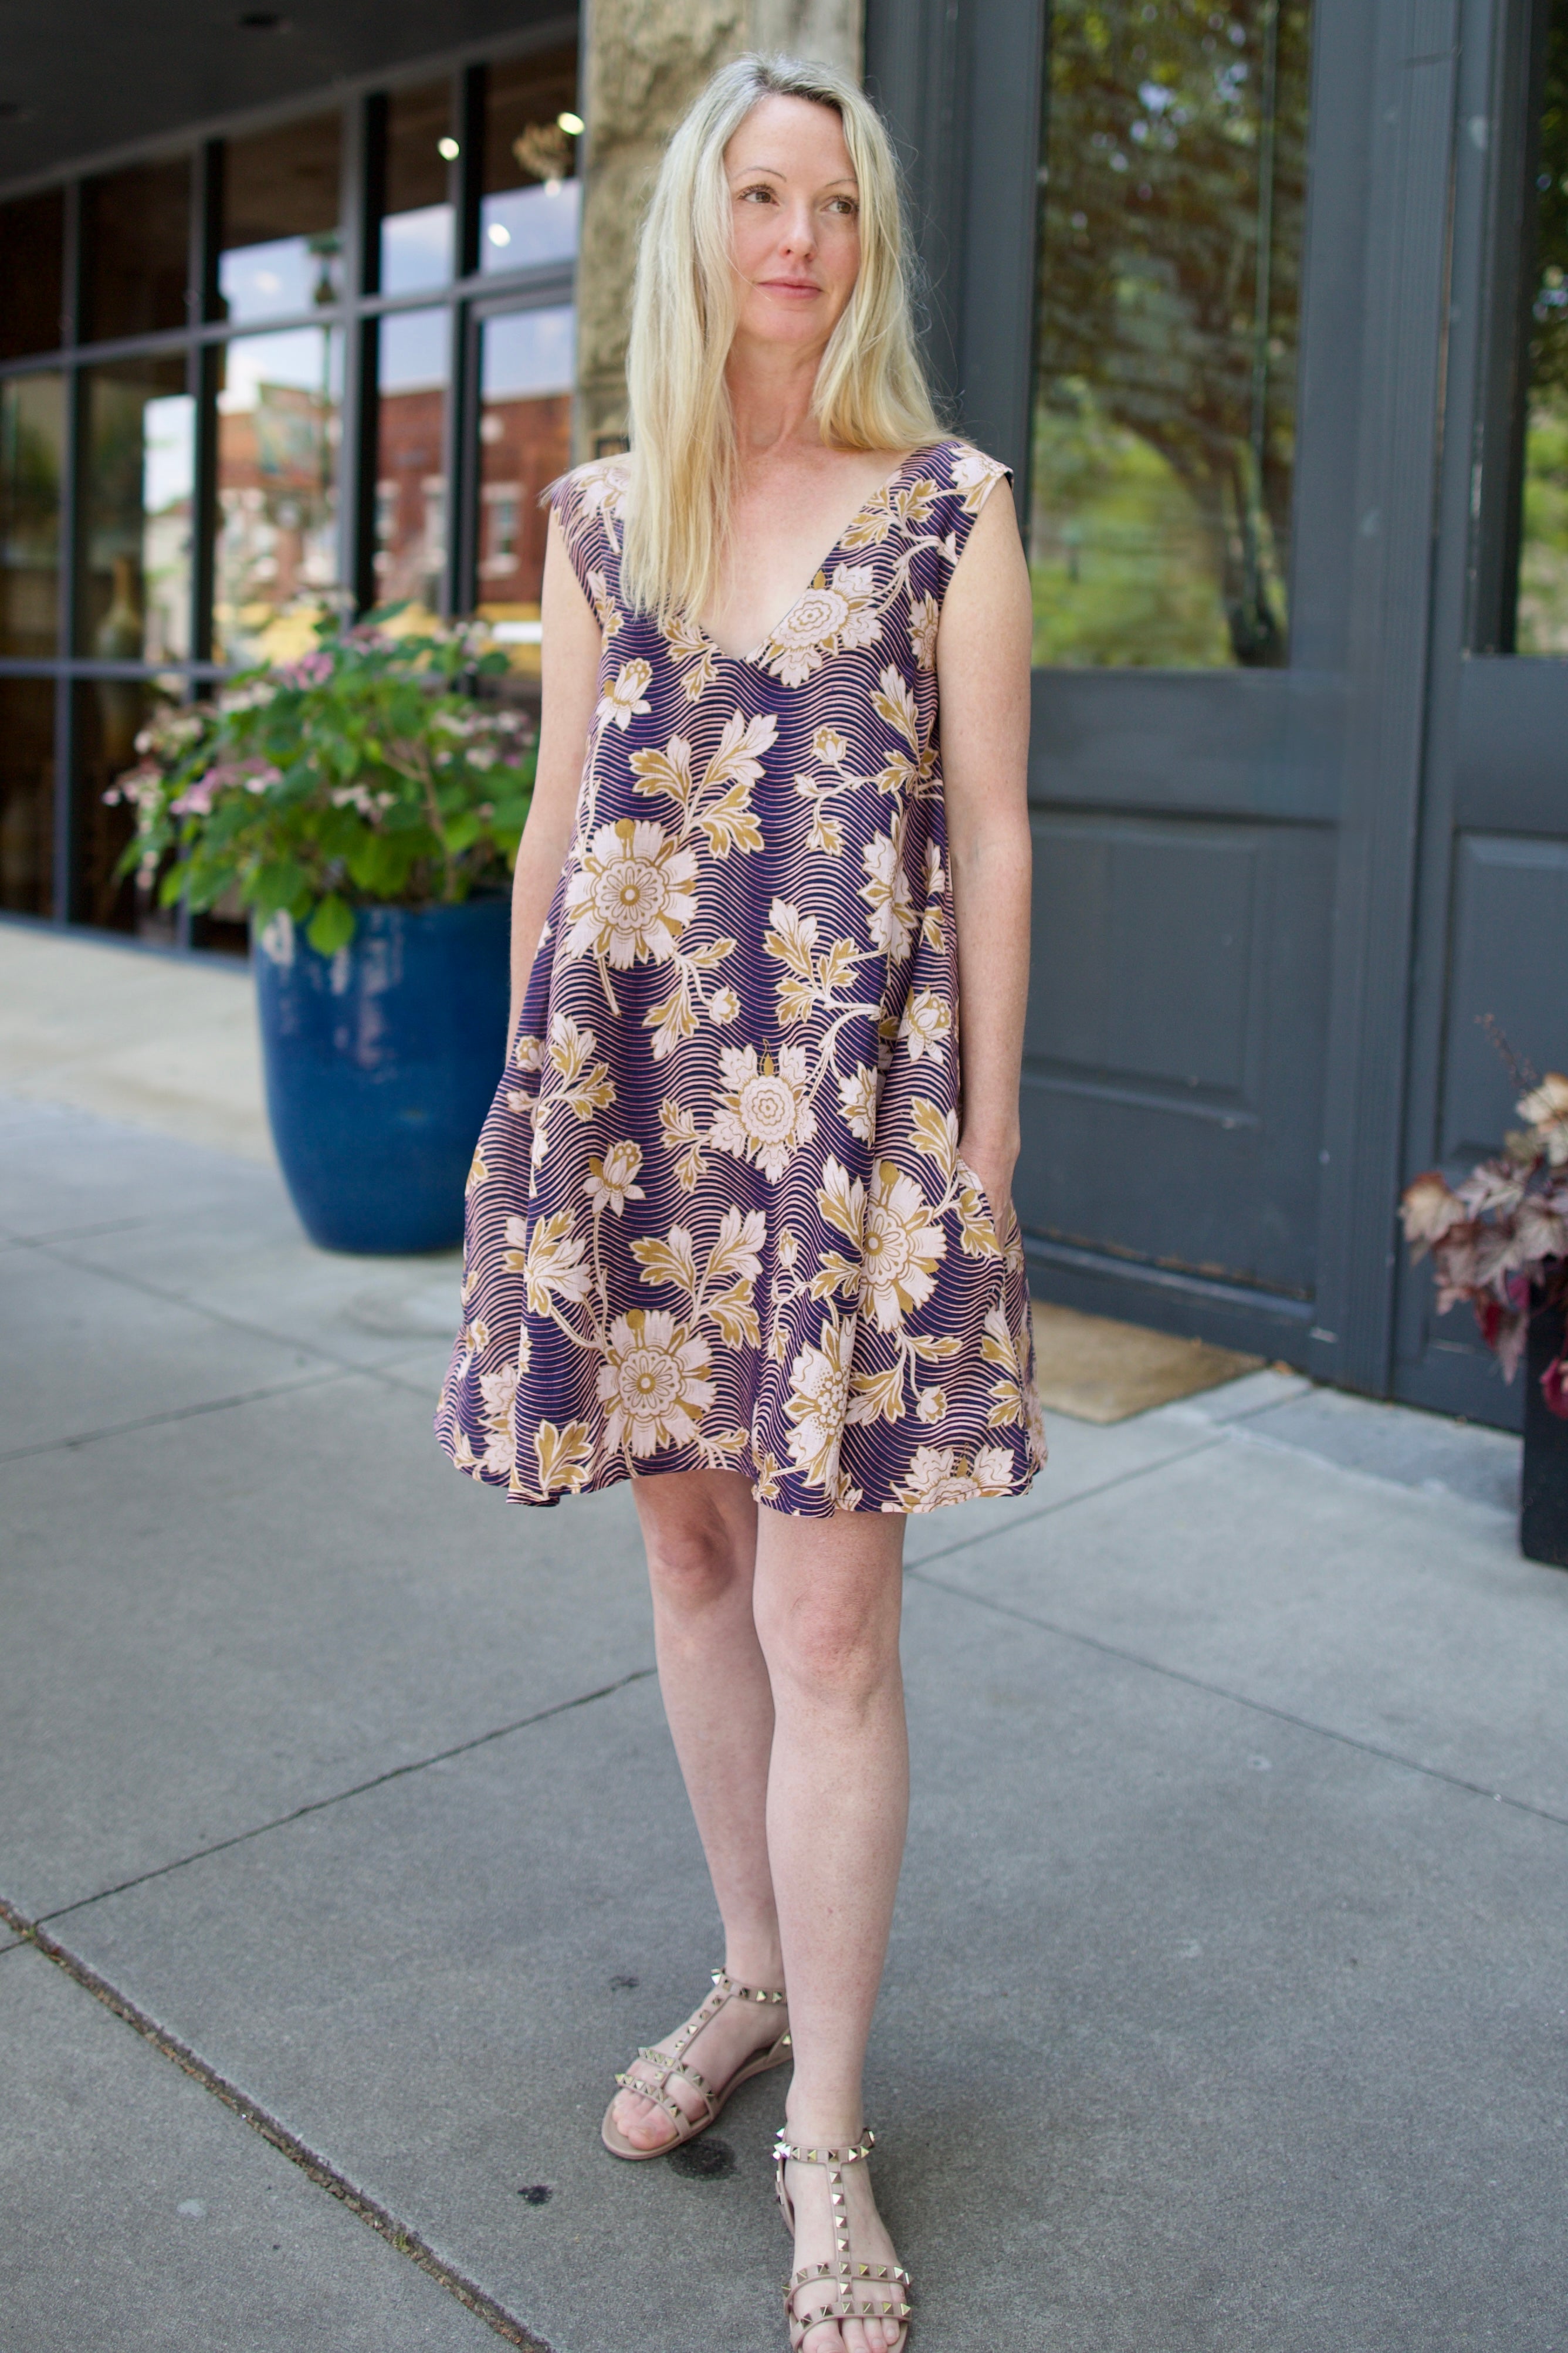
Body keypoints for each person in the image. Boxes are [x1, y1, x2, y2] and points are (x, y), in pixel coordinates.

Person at [438, 49, 1043, 2353]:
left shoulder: (953, 506)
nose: (795, 237)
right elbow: (553, 819)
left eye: (836, 204)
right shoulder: (606, 512)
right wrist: (523, 1118)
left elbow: (988, 832)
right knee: (689, 1551)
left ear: (868, 242)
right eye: (758, 195)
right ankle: (754, 1979)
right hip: (633, 1116)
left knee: (831, 1626)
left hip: (855, 1142)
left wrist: (978, 1153)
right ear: (699, 226)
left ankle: (830, 2143)